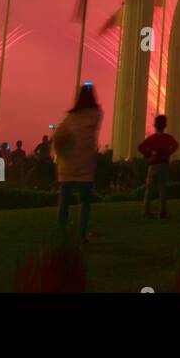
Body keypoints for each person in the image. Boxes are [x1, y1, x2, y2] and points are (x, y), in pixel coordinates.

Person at [52, 84, 102, 244]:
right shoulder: (96, 114)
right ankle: (81, 235)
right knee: (85, 203)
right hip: (86, 165)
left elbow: (58, 134)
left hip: (67, 165)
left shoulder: (70, 117)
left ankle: (62, 233)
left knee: (64, 203)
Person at [139, 114, 179, 219]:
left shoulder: (151, 138)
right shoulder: (168, 138)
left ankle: (147, 211)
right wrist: (168, 153)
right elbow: (175, 146)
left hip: (153, 166)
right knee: (162, 189)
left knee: (149, 189)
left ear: (155, 126)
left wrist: (149, 156)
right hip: (164, 165)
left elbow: (141, 147)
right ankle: (162, 212)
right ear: (165, 126)